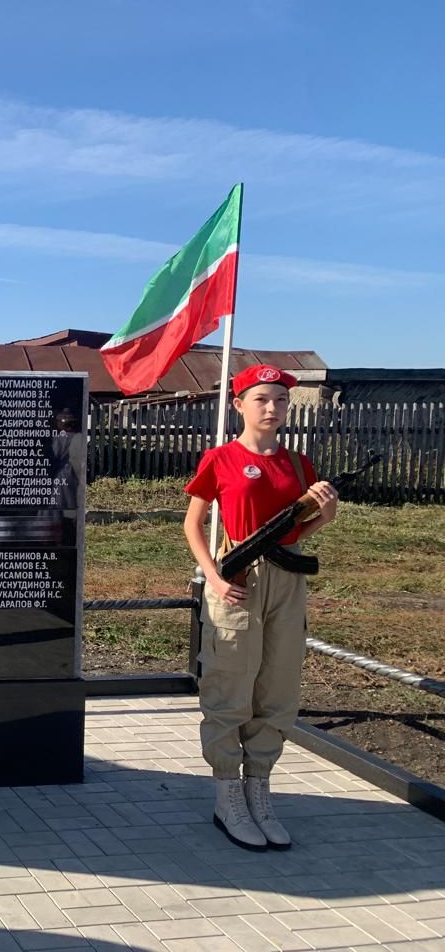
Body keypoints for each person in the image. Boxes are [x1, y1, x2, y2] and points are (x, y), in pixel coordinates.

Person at [182, 365, 338, 851]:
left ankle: (260, 789)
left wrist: (325, 515)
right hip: (237, 581)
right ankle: (228, 793)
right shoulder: (222, 458)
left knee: (278, 685)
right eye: (262, 400)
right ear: (239, 405)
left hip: (287, 581)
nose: (272, 409)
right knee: (231, 682)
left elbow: (296, 531)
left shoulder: (298, 465)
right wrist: (212, 575)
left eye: (280, 401)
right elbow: (193, 523)